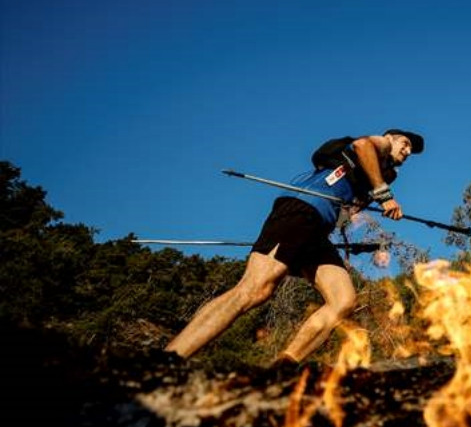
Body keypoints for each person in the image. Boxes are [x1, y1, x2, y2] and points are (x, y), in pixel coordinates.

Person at [164, 129, 424, 371]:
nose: (408, 151)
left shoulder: (380, 173)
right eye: (406, 143)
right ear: (391, 137)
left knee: (342, 301)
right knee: (255, 289)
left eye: (411, 149)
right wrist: (384, 194)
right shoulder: (378, 143)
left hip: (318, 229)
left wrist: (356, 243)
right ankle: (170, 357)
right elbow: (362, 144)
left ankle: (282, 367)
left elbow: (348, 211)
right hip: (301, 211)